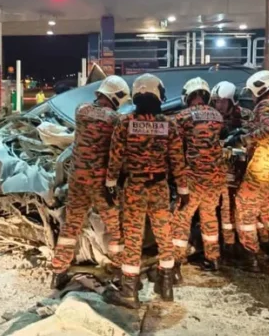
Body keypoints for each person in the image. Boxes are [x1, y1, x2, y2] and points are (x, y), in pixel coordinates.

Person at [103, 74, 188, 309]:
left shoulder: (125, 122)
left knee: (133, 239)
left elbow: (115, 158)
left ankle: (129, 292)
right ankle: (166, 286)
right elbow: (177, 160)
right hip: (159, 188)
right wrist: (183, 189)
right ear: (157, 93)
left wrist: (110, 184)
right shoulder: (169, 125)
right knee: (164, 234)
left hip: (135, 188)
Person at [49, 76, 130, 290]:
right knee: (114, 227)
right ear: (116, 97)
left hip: (78, 180)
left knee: (71, 226)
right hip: (101, 183)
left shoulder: (81, 110)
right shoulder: (116, 119)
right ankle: (121, 272)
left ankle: (58, 271)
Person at [224, 71, 269, 269]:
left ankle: (250, 255)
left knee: (244, 206)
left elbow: (266, 130)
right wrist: (243, 129)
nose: (252, 97)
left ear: (259, 88)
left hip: (261, 164)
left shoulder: (266, 105)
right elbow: (265, 128)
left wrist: (243, 139)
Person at [171, 78, 226, 273]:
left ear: (188, 95)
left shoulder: (183, 116)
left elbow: (175, 146)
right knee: (209, 216)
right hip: (215, 177)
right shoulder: (217, 116)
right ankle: (214, 259)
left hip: (193, 177)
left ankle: (175, 262)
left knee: (182, 218)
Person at [210, 81, 263, 252]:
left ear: (233, 101)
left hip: (243, 169)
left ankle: (250, 243)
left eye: (223, 102)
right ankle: (229, 243)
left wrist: (240, 138)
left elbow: (254, 137)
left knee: (242, 207)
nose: (219, 105)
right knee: (224, 207)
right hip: (221, 170)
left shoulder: (246, 116)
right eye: (217, 101)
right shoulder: (212, 116)